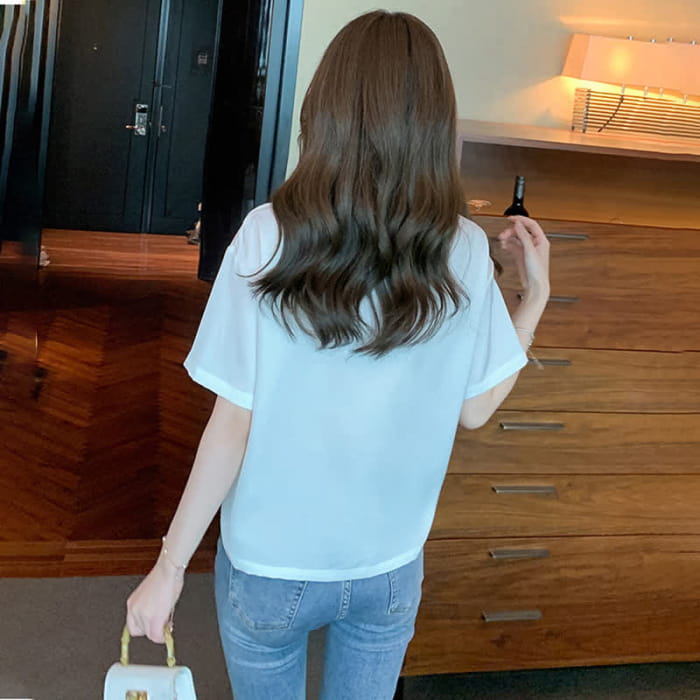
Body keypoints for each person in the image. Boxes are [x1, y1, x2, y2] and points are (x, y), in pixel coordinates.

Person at [125, 10, 550, 700]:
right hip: (389, 566)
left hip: (271, 566)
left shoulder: (266, 235)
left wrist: (169, 567)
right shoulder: (464, 248)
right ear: (434, 124)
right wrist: (533, 300)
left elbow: (233, 423)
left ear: (325, 111)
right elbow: (474, 410)